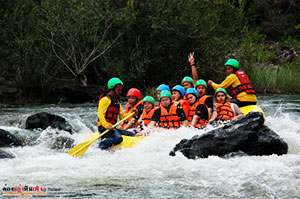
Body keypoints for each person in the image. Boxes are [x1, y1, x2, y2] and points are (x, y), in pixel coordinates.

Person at [97, 77, 137, 150]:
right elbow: (100, 114)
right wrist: (106, 125)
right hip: (103, 128)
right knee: (118, 138)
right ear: (112, 88)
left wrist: (132, 113)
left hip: (112, 128)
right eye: (119, 89)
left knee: (131, 134)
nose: (120, 92)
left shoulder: (117, 102)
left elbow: (122, 117)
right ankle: (100, 147)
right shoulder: (105, 99)